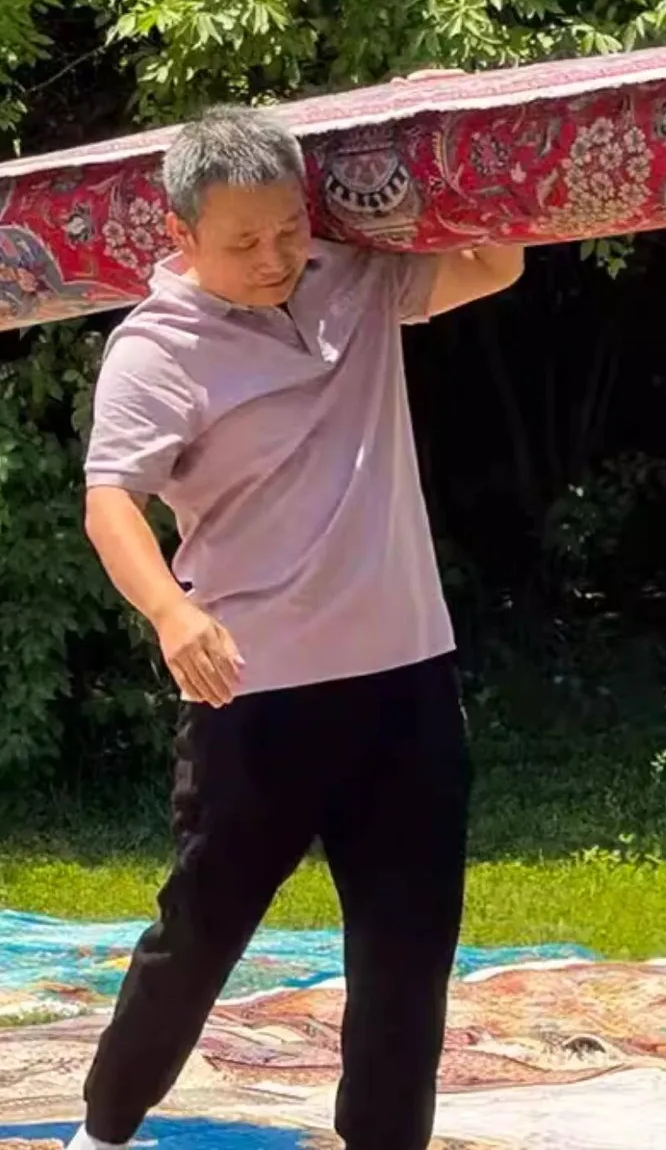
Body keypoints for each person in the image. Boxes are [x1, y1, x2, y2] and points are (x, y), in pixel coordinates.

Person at [67, 105, 524, 1150]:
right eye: (243, 242)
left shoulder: (356, 278)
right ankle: (103, 1130)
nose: (274, 258)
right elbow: (109, 502)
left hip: (405, 675)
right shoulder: (155, 351)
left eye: (287, 228)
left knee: (407, 955)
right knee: (202, 931)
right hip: (256, 689)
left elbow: (494, 265)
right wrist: (171, 611)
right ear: (181, 236)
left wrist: (460, 137)